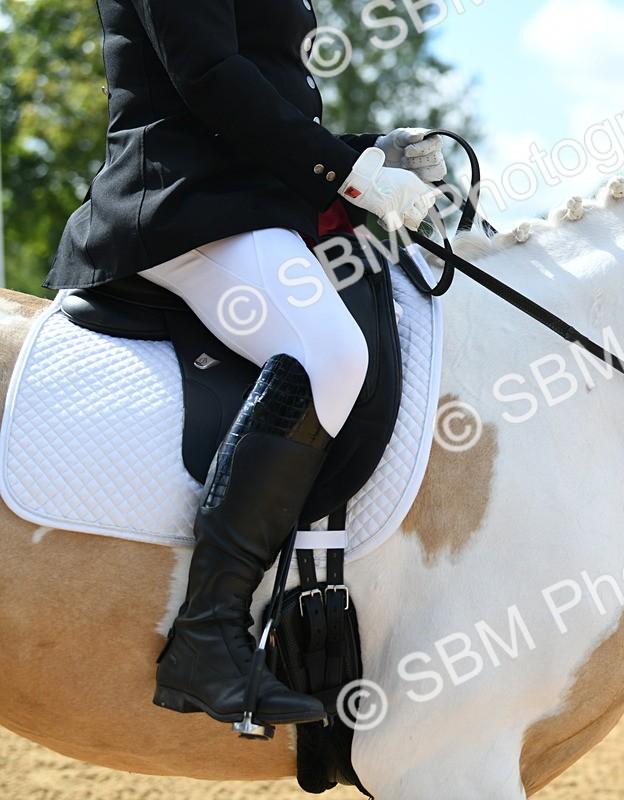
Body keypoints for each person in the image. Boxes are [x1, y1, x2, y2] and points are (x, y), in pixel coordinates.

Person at [44, 0, 444, 729]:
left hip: (248, 201)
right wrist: (345, 173)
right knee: (327, 352)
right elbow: (209, 76)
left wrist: (366, 151)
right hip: (180, 202)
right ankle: (206, 635)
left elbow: (265, 90)